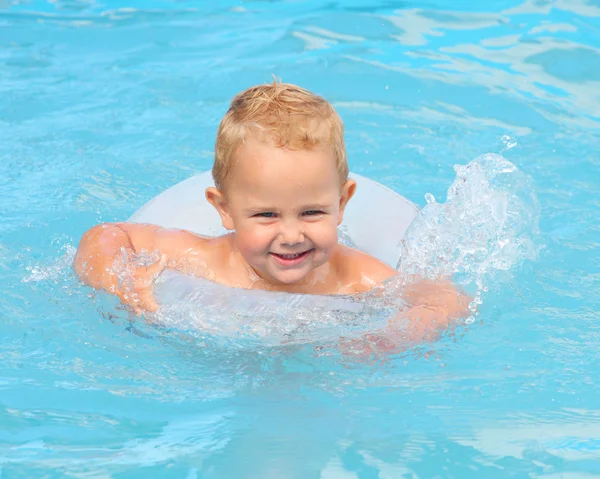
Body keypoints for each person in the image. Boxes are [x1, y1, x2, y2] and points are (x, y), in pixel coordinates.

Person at [73, 81, 469, 343]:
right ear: (224, 209)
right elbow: (103, 236)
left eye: (312, 212)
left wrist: (384, 340)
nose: (292, 234)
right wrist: (120, 284)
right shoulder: (201, 258)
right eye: (266, 215)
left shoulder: (354, 277)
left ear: (343, 203)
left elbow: (446, 299)